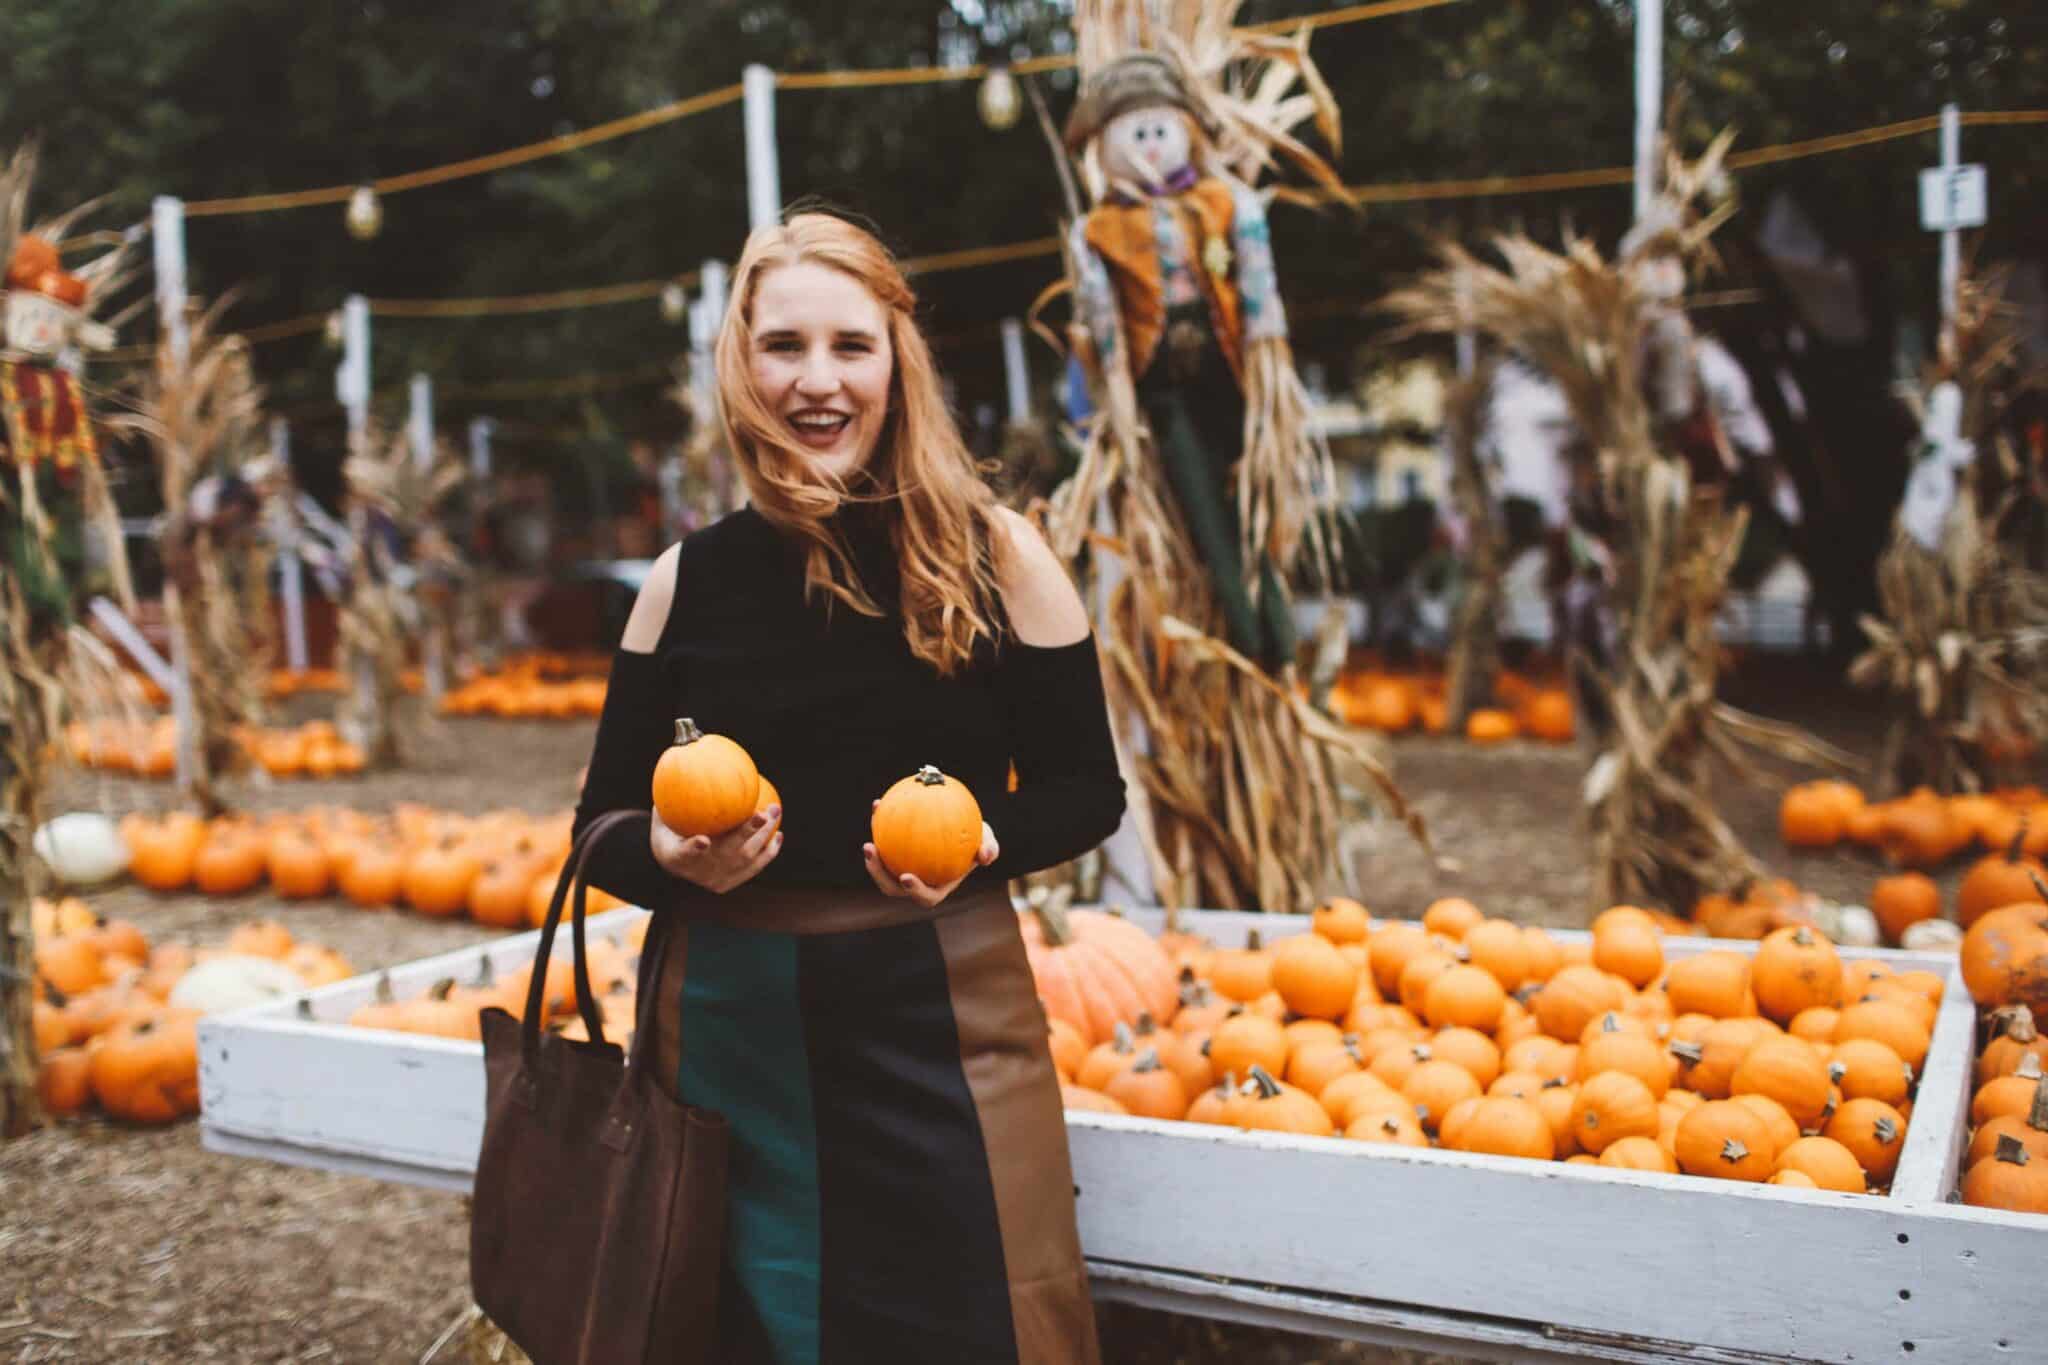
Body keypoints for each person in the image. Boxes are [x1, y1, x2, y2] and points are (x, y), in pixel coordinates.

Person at [572, 211, 1123, 1364]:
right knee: (734, 1327)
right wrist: (668, 858)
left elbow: (1083, 790)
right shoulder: (687, 580)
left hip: (941, 1012)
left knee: (976, 1319)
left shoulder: (999, 556)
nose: (815, 382)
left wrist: (981, 845)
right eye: (782, 347)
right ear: (741, 364)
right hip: (729, 1030)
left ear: (895, 363)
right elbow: (600, 827)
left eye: (849, 347)